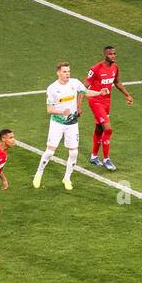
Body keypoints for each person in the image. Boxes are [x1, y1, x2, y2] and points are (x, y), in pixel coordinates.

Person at [33, 62, 106, 190]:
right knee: (50, 151)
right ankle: (39, 174)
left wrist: (99, 93)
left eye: (68, 71)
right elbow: (49, 109)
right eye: (65, 71)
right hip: (57, 123)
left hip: (72, 124)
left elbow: (86, 92)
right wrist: (62, 112)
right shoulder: (52, 88)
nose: (68, 74)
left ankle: (67, 178)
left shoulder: (75, 82)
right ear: (58, 73)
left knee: (74, 153)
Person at [86, 45, 134, 172]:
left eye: (114, 54)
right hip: (95, 101)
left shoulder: (115, 67)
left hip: (107, 102)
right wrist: (78, 105)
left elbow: (117, 82)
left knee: (99, 129)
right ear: (105, 55)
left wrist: (127, 95)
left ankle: (94, 157)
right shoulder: (95, 69)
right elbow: (84, 87)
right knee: (108, 129)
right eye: (110, 54)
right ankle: (106, 159)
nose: (113, 56)